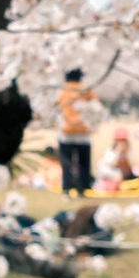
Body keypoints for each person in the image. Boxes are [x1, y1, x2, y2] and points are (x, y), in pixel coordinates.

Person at [57, 68, 98, 197]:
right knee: (83, 163)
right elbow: (96, 107)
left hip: (66, 132)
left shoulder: (62, 90)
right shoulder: (86, 90)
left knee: (66, 163)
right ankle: (82, 189)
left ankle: (67, 189)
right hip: (83, 132)